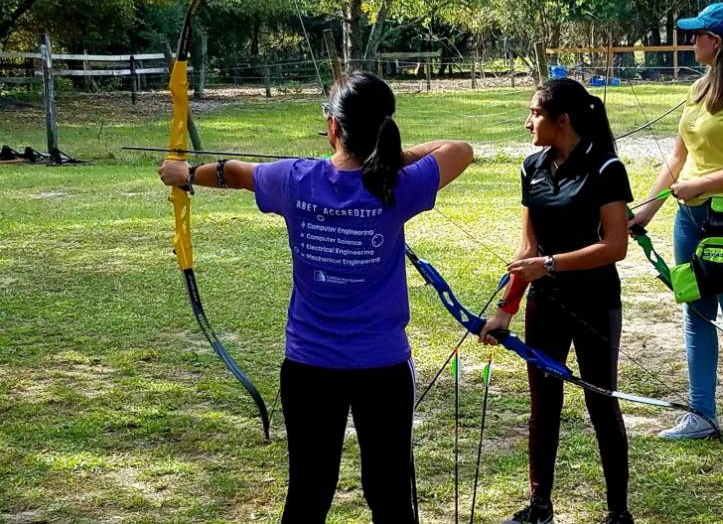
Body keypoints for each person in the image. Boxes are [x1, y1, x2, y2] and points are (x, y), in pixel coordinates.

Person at [158, 71, 473, 524]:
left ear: (332, 128)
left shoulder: (294, 179)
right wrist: (394, 158)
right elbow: (460, 150)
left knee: (308, 494)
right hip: (380, 367)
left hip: (310, 367)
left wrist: (185, 173)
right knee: (390, 497)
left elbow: (235, 174)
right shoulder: (400, 185)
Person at [630, 2, 723, 457]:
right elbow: (676, 159)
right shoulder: (699, 88)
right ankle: (701, 414)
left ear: (715, 42)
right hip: (690, 219)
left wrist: (697, 185)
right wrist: (648, 210)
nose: (692, 40)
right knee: (697, 316)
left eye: (698, 34)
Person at [478, 78, 635, 524]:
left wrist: (548, 265)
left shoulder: (606, 168)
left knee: (600, 402)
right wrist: (505, 311)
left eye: (535, 113)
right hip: (544, 304)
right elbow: (526, 249)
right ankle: (540, 507)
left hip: (595, 302)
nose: (528, 121)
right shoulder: (531, 167)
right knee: (543, 405)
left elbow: (614, 246)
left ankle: (618, 513)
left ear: (561, 120)